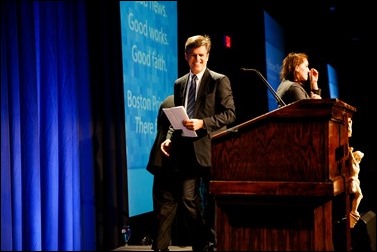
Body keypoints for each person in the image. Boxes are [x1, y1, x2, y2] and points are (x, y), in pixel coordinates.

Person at [157, 34, 236, 252]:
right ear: (186, 57)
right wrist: (169, 138)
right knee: (186, 199)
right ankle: (203, 241)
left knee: (212, 203)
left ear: (208, 56)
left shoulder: (219, 80)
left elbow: (230, 114)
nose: (197, 60)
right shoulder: (179, 84)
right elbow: (178, 117)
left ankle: (211, 242)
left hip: (212, 150)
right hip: (186, 151)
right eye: (193, 56)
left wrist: (203, 123)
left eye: (201, 55)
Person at [348, 147, 364, 228]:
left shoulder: (356, 164)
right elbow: (351, 159)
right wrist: (350, 151)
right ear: (355, 156)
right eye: (358, 157)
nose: (359, 159)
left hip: (356, 180)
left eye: (360, 158)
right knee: (359, 195)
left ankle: (354, 210)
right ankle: (353, 211)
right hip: (353, 181)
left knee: (360, 195)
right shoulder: (353, 162)